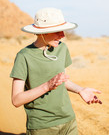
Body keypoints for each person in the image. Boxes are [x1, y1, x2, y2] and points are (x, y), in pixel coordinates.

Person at [10, 7, 102, 135]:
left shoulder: (62, 48)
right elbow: (16, 99)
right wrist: (47, 86)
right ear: (42, 32)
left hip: (68, 120)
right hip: (42, 126)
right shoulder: (24, 56)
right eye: (57, 31)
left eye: (63, 30)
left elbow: (61, 80)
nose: (63, 35)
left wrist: (80, 90)